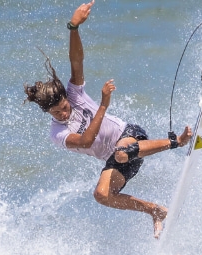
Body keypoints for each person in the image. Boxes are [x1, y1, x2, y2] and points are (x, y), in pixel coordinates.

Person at [24, 0, 193, 238]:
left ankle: (177, 141)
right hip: (121, 160)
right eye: (56, 113)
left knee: (121, 151)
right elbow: (85, 141)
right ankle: (155, 211)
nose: (63, 114)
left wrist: (73, 28)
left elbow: (76, 61)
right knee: (101, 195)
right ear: (48, 114)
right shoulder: (57, 134)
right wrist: (103, 104)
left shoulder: (74, 93)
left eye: (63, 107)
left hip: (130, 137)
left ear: (65, 98)